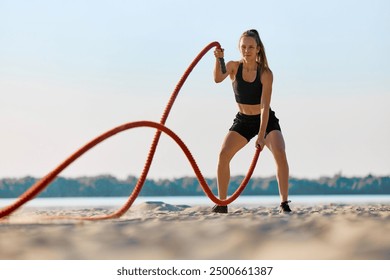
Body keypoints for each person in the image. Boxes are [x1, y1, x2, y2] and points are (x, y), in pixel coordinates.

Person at [212, 29, 291, 214]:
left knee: (280, 151)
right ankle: (222, 203)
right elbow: (217, 78)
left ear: (257, 49)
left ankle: (284, 202)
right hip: (243, 120)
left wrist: (262, 135)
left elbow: (265, 106)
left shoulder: (265, 73)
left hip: (265, 120)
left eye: (251, 47)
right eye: (243, 46)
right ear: (239, 48)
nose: (246, 50)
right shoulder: (233, 66)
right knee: (223, 155)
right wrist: (219, 59)